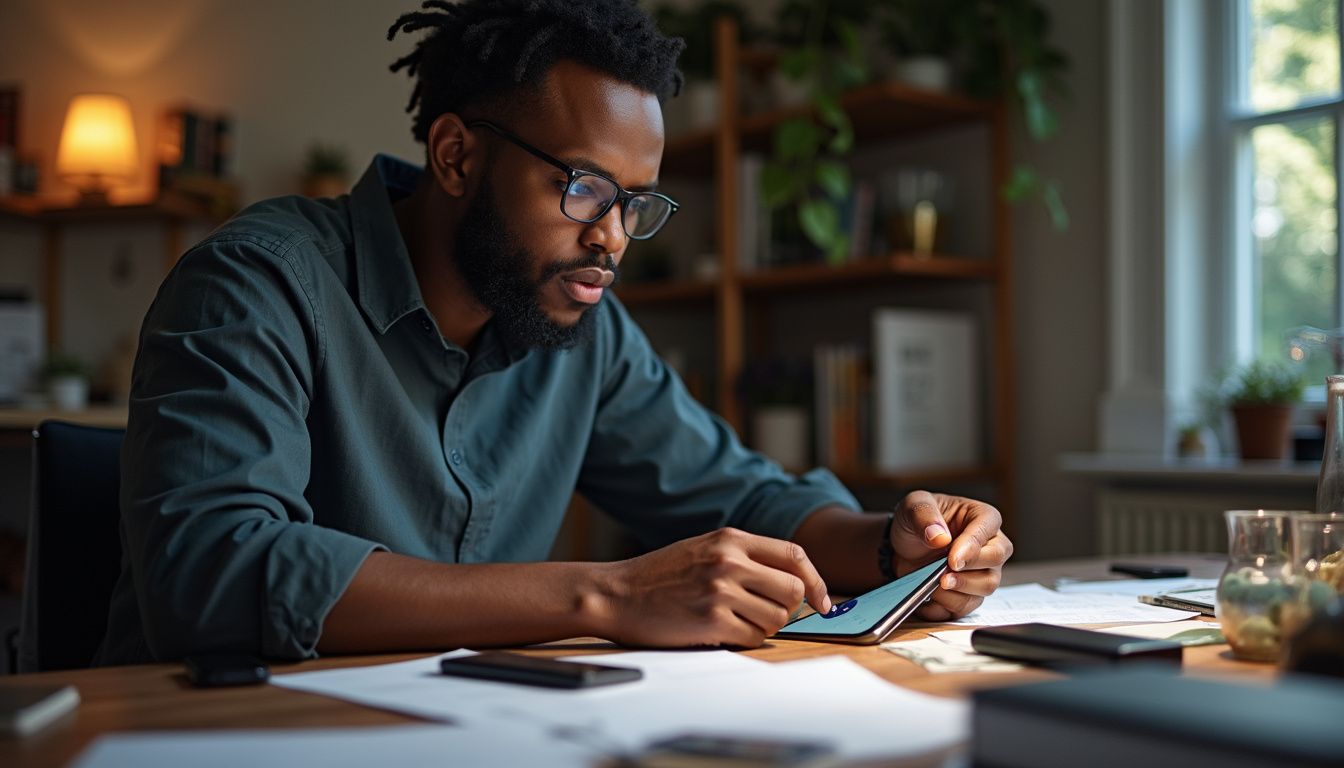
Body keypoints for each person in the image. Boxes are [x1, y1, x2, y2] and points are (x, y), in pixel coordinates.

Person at [95, 0, 1012, 665]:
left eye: (635, 203)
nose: (611, 236)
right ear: (457, 155)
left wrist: (900, 549)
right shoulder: (256, 284)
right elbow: (211, 573)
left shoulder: (584, 330)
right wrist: (609, 595)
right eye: (583, 188)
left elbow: (744, 497)